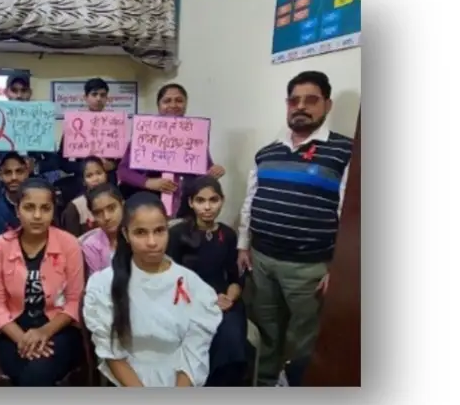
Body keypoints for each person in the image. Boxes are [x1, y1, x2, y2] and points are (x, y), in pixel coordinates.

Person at [236, 70, 353, 386]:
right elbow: (250, 201)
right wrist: (243, 245)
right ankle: (264, 384)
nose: (300, 107)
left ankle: (292, 391)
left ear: (327, 104)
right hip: (261, 261)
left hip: (309, 270)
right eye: (294, 100)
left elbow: (350, 216)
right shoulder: (267, 152)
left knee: (303, 338)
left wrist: (340, 269)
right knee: (266, 330)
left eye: (310, 100)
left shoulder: (345, 152)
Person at [82, 192, 222, 387]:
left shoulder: (193, 285)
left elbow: (194, 351)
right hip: (130, 382)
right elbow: (113, 355)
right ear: (126, 234)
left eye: (159, 231)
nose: (152, 242)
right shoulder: (103, 285)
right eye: (140, 232)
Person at [0, 178, 85, 386]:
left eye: (45, 208)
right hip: (13, 331)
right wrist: (22, 339)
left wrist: (43, 332)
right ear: (18, 210)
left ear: (53, 211)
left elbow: (74, 301)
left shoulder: (69, 244)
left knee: (37, 372)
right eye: (29, 207)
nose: (37, 216)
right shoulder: (0, 247)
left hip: (59, 329)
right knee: (32, 371)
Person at [167, 176, 248, 386]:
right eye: (200, 201)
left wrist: (229, 298)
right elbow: (169, 279)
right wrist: (204, 300)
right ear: (191, 202)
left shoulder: (228, 235)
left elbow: (235, 277)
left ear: (222, 200)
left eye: (213, 200)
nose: (207, 207)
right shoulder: (177, 234)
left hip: (223, 300)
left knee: (231, 332)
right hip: (186, 300)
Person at [117, 83, 226, 215]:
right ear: (159, 105)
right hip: (149, 205)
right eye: (167, 101)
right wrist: (148, 182)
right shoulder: (144, 133)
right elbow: (123, 171)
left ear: (185, 104)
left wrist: (214, 171)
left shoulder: (195, 136)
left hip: (185, 206)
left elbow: (205, 173)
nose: (173, 105)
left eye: (179, 100)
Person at [0, 74, 61, 183]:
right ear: (6, 92)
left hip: (34, 182)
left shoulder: (41, 121)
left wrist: (36, 166)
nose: (19, 95)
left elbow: (54, 160)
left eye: (23, 90)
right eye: (14, 90)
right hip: (5, 182)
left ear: (30, 93)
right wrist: (1, 164)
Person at [59, 78, 120, 184]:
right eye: (94, 94)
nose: (98, 98)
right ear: (85, 97)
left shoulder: (116, 124)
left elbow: (123, 160)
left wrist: (113, 165)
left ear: (107, 98)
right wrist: (85, 167)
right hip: (82, 182)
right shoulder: (74, 124)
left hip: (108, 181)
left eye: (102, 95)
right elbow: (62, 162)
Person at [0, 151, 30, 253]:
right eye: (8, 172)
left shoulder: (39, 206)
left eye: (19, 171)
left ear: (26, 173)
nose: (14, 177)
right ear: (0, 175)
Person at [80, 183, 124, 276]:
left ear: (122, 205)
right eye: (98, 213)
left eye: (111, 208)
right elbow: (97, 281)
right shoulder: (91, 246)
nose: (106, 217)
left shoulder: (139, 234)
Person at [60, 155, 108, 238]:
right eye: (89, 176)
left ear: (106, 175)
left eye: (99, 173)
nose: (95, 179)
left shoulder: (115, 199)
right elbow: (71, 240)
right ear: (83, 181)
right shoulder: (75, 207)